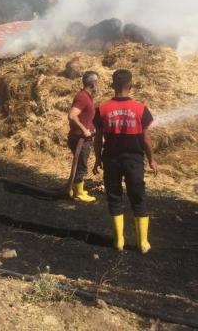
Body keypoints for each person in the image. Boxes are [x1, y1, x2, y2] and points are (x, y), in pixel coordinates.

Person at [93, 69, 158, 254]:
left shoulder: (102, 109)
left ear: (113, 86)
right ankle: (142, 243)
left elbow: (98, 139)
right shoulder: (141, 108)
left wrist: (97, 158)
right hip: (134, 161)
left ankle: (119, 240)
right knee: (138, 197)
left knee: (114, 197)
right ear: (130, 86)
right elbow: (146, 139)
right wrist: (152, 160)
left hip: (111, 160)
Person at [67, 71, 98, 202]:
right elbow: (72, 115)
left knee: (81, 163)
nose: (99, 85)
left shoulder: (87, 96)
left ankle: (75, 188)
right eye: (98, 82)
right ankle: (79, 193)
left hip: (84, 138)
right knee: (81, 165)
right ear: (93, 83)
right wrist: (85, 130)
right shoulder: (82, 97)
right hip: (80, 138)